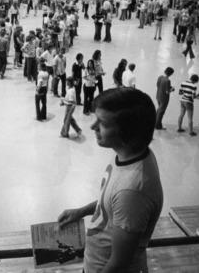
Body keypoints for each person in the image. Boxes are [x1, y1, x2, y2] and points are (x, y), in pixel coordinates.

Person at [58, 88, 163, 273]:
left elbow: (119, 264)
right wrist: (82, 211)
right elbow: (110, 203)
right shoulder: (129, 155)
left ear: (128, 132)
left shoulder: (133, 191)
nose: (92, 126)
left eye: (103, 123)